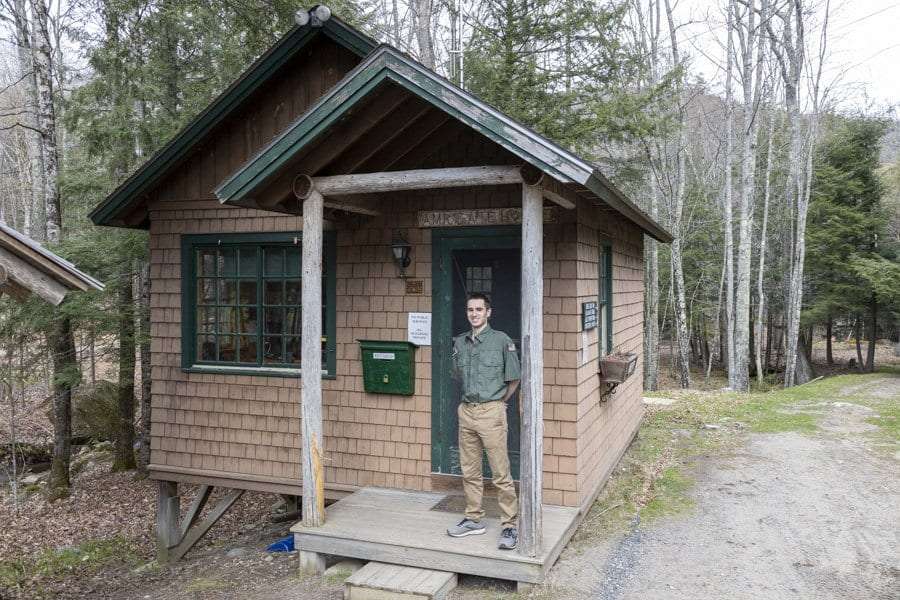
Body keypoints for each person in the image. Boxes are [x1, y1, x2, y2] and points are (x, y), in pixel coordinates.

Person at [446, 292, 521, 550]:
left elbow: (514, 378)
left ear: (489, 312)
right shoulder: (460, 342)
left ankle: (509, 526)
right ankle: (473, 518)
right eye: (470, 310)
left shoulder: (501, 341)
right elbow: (458, 376)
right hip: (466, 411)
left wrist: (499, 402)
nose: (474, 314)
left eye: (479, 309)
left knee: (500, 473)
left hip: (491, 411)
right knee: (470, 470)